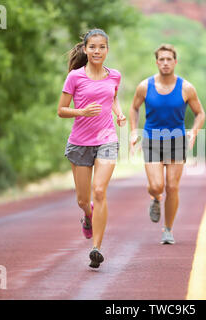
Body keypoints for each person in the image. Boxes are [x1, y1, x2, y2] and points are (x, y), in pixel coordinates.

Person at [57, 29, 126, 268]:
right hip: (79, 143)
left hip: (106, 139)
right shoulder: (75, 77)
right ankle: (88, 216)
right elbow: (61, 110)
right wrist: (82, 112)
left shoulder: (114, 75)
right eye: (93, 47)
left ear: (107, 50)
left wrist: (118, 113)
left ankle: (96, 248)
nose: (97, 51)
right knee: (83, 200)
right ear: (85, 50)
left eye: (102, 47)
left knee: (99, 191)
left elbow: (113, 97)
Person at [129, 44, 205, 244]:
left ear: (175, 62)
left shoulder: (186, 88)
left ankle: (168, 229)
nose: (165, 63)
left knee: (172, 187)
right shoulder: (145, 86)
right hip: (152, 140)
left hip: (177, 141)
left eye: (168, 59)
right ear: (156, 63)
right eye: (161, 59)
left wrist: (194, 133)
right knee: (157, 186)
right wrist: (133, 132)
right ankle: (155, 198)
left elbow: (200, 114)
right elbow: (134, 108)